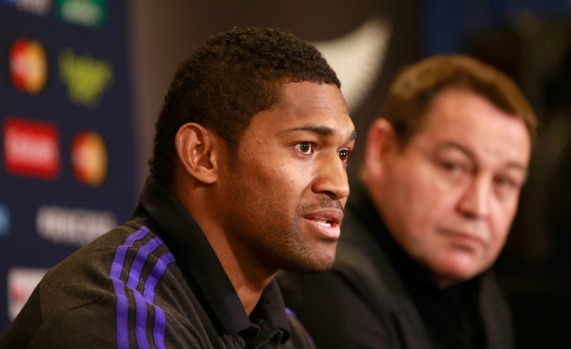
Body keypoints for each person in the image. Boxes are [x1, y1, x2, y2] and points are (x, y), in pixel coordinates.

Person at [0, 26, 356, 348]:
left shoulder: (287, 332)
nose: (339, 185)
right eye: (305, 147)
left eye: (343, 154)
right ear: (202, 155)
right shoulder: (112, 314)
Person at [278, 54, 538, 349]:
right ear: (383, 150)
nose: (478, 207)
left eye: (504, 181)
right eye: (454, 167)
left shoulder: (479, 293)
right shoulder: (326, 278)